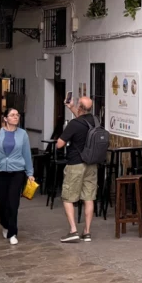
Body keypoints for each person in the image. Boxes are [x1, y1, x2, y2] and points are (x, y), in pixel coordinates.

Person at [0, 107, 35, 245]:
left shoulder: (23, 134)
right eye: (12, 115)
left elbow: (27, 154)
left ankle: (13, 232)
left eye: (17, 115)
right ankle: (5, 224)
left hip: (17, 171)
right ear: (5, 118)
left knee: (13, 202)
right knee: (3, 201)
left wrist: (30, 173)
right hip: (1, 171)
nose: (16, 117)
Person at [56, 96, 98, 243]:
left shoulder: (74, 124)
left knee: (68, 197)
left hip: (75, 164)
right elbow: (83, 121)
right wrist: (71, 107)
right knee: (88, 197)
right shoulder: (95, 121)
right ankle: (87, 232)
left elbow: (59, 144)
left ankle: (73, 230)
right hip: (91, 164)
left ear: (80, 108)